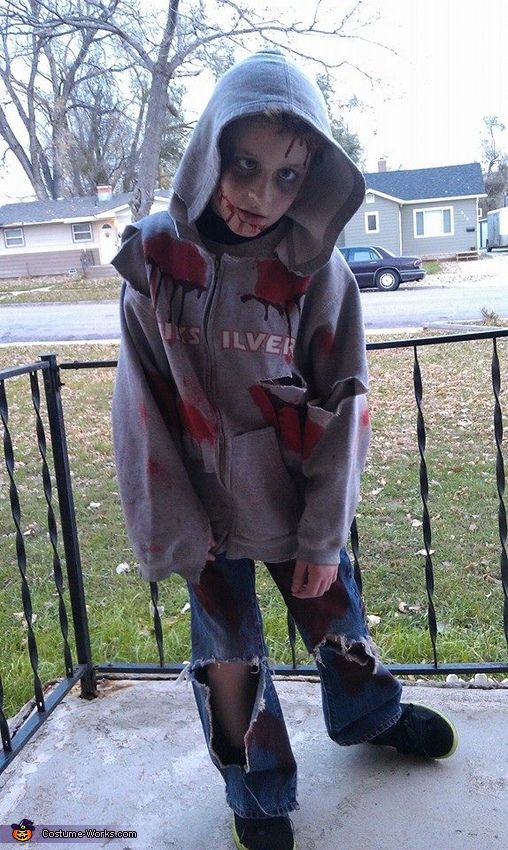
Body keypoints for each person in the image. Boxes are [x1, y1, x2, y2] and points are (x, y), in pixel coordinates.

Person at [111, 49, 458, 850]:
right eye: (244, 166)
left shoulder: (316, 270)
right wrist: (173, 528)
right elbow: (141, 407)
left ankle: (372, 715)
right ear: (209, 154)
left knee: (337, 618)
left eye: (289, 177)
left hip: (295, 498)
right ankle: (256, 791)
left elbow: (346, 402)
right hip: (201, 515)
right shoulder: (156, 262)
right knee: (228, 656)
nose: (261, 197)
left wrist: (322, 536)